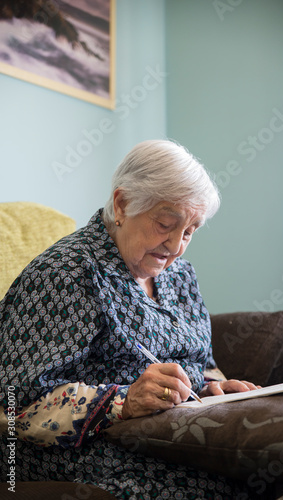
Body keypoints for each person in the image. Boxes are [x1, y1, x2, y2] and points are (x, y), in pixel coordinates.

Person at [0, 140, 259, 499]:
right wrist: (124, 401)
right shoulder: (66, 273)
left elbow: (203, 362)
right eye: (165, 224)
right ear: (122, 204)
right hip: (78, 449)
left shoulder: (180, 275)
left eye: (189, 231)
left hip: (168, 432)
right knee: (212, 485)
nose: (176, 246)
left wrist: (212, 388)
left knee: (263, 465)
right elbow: (17, 405)